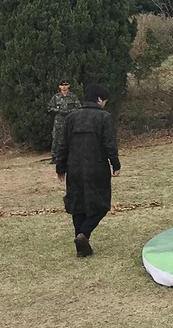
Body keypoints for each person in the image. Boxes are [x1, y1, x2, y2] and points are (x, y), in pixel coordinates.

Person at [54, 83, 120, 257]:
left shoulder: (70, 118)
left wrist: (60, 167)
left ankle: (81, 245)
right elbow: (109, 144)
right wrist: (116, 164)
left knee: (78, 205)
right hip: (96, 167)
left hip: (74, 168)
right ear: (99, 99)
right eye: (104, 100)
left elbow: (63, 145)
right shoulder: (104, 117)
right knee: (101, 205)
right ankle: (84, 234)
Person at [48, 79, 81, 163]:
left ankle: (72, 156)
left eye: (66, 85)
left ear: (69, 86)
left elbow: (78, 107)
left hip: (70, 120)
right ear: (59, 86)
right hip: (59, 121)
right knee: (56, 138)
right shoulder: (56, 97)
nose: (64, 87)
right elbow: (49, 108)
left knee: (72, 138)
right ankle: (55, 157)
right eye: (62, 85)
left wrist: (69, 112)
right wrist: (59, 111)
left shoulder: (73, 96)